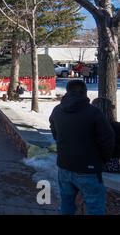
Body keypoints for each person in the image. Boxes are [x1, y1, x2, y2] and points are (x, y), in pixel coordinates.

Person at [50, 80, 115, 215]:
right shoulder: (94, 112)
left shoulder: (57, 110)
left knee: (67, 205)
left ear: (67, 91)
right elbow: (108, 139)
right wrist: (102, 160)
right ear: (85, 92)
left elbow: (54, 131)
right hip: (88, 170)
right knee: (94, 207)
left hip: (64, 166)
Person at [92, 98, 120, 173]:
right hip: (111, 165)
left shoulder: (88, 127)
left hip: (91, 164)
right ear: (109, 111)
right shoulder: (116, 126)